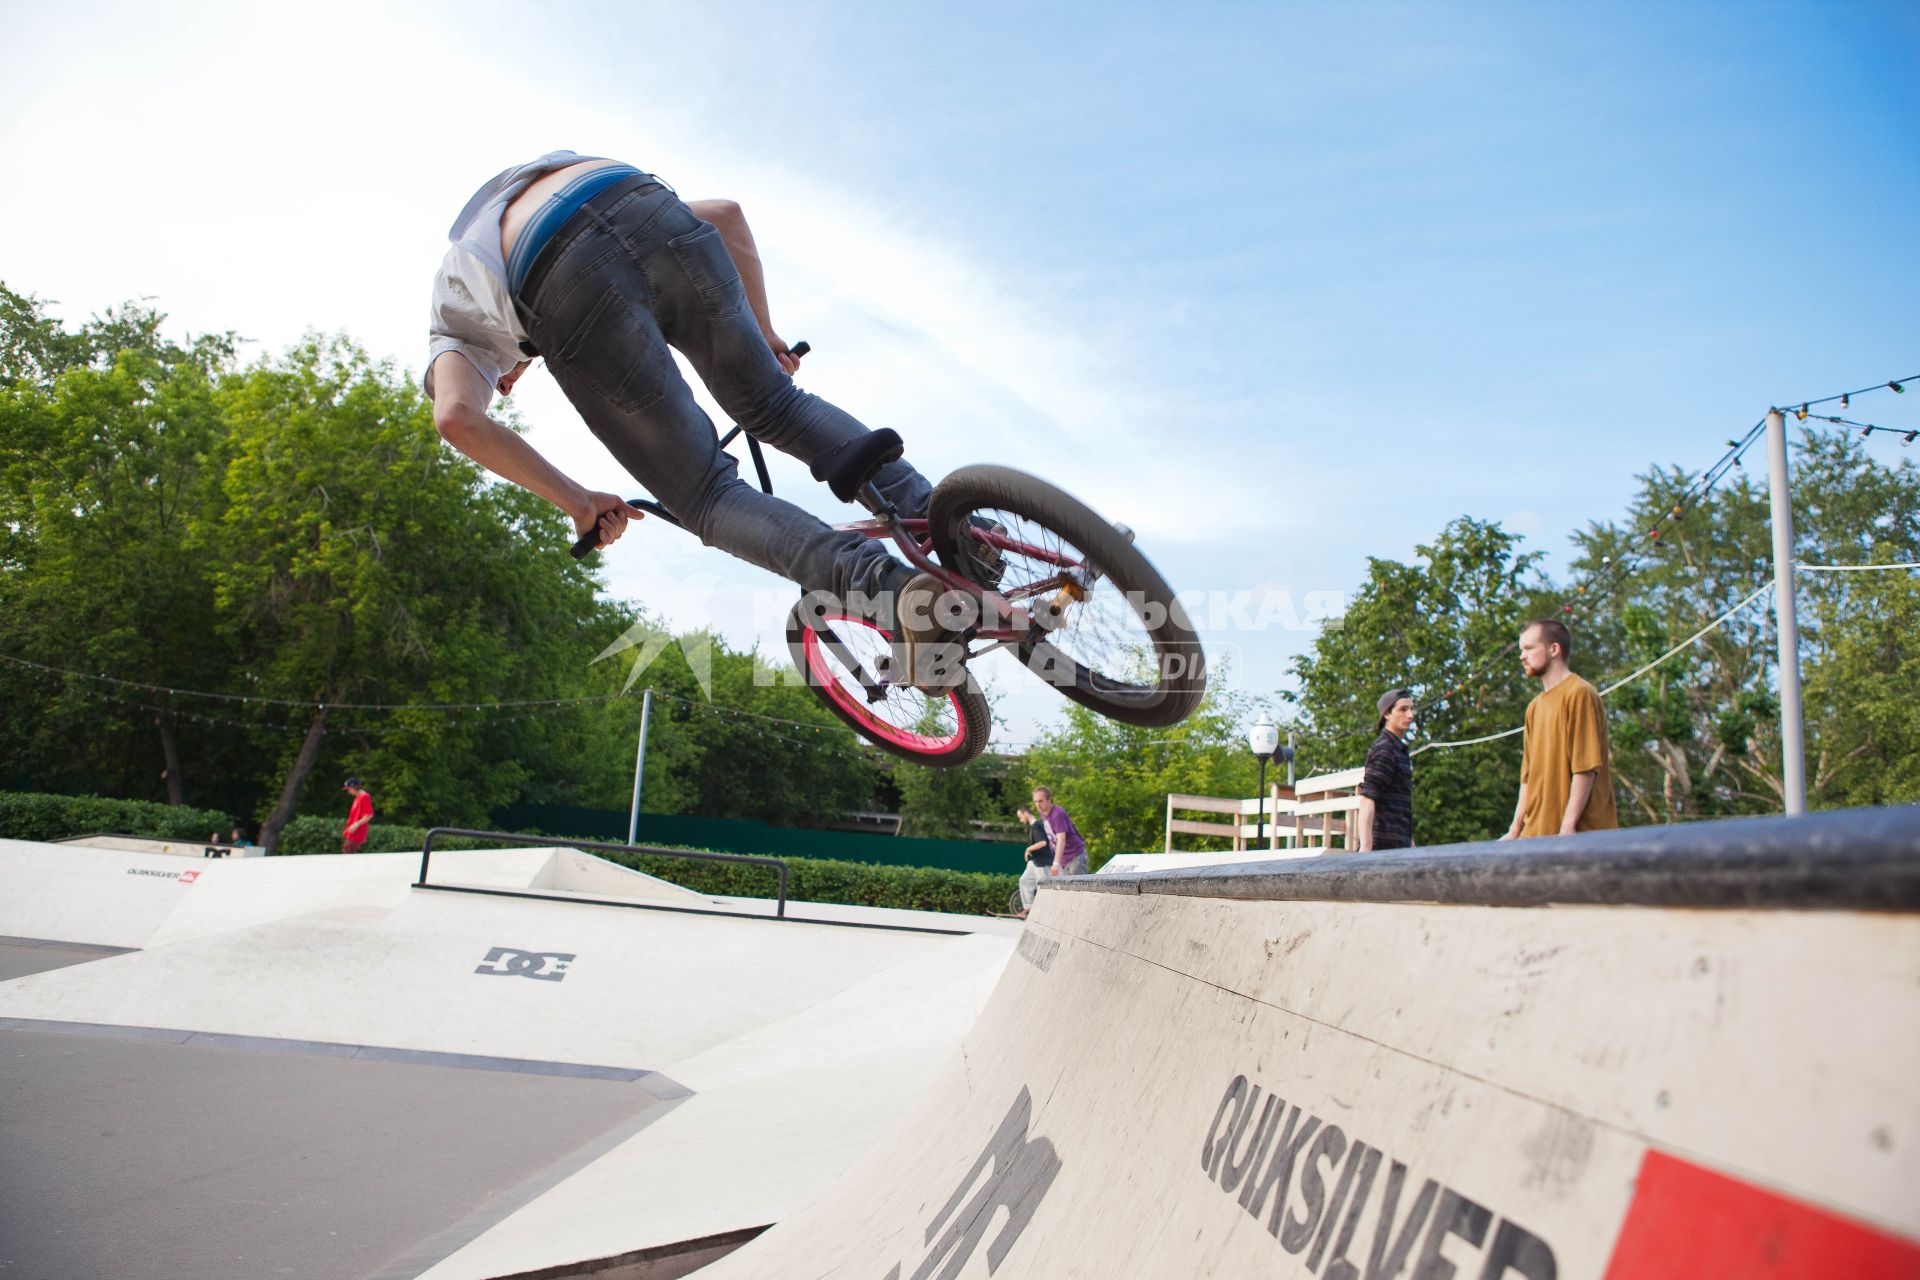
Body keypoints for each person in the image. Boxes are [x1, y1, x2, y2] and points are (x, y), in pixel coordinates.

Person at [425, 151, 961, 685]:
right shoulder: (520, 198)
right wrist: (767, 336)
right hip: (630, 193)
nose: (506, 379)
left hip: (554, 275)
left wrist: (580, 502)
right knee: (775, 402)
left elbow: (456, 417)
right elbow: (726, 215)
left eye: (501, 378)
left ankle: (889, 591)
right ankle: (962, 532)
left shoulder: (454, 305)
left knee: (705, 495)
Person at [1500, 619, 1619, 839]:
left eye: (1528, 648)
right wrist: (1515, 829)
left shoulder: (1579, 693)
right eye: (1521, 650)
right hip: (1536, 834)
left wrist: (1568, 825)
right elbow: (1527, 777)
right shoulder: (1533, 708)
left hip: (1579, 837)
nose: (1521, 656)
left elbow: (1585, 766)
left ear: (1554, 649)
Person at [1356, 688, 1416, 852]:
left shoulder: (1398, 750)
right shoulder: (1385, 750)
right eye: (1403, 709)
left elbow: (1400, 809)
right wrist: (1366, 848)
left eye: (1411, 709)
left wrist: (1413, 849)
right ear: (1387, 714)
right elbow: (1367, 799)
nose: (1410, 715)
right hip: (1382, 851)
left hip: (1399, 847)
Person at [1031, 786, 1089, 876]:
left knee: (1079, 887)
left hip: (1075, 855)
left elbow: (1061, 840)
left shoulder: (1057, 814)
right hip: (1065, 860)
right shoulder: (1043, 813)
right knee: (1068, 889)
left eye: (1041, 801)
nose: (1038, 805)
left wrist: (1055, 863)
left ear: (1049, 799)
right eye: (1036, 801)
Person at [1015, 805, 1054, 914]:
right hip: (1035, 862)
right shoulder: (1034, 827)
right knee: (1024, 880)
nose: (1020, 819)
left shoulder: (1037, 826)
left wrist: (1028, 849)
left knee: (1044, 888)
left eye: (1020, 816)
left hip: (1042, 863)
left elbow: (1043, 843)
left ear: (1025, 813)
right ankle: (1028, 908)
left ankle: (1046, 912)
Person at [342, 778, 374, 854]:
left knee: (348, 851)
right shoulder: (358, 797)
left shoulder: (364, 797)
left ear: (355, 787)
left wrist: (356, 825)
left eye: (349, 789)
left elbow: (368, 815)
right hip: (354, 831)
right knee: (348, 851)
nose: (348, 791)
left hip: (357, 831)